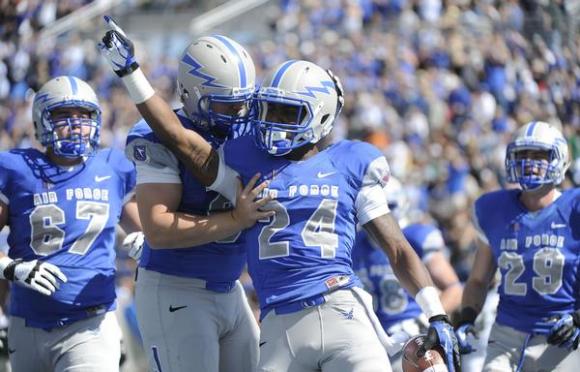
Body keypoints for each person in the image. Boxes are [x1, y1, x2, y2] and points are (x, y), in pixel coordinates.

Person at [98, 17, 461, 372]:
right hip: (268, 315)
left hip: (334, 303)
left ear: (319, 118)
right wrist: (131, 72)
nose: (270, 122)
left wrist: (436, 313)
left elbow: (396, 247)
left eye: (289, 113)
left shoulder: (348, 162)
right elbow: (182, 142)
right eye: (270, 109)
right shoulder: (246, 163)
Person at [123, 35, 273, 372]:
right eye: (226, 105)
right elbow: (158, 229)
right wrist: (235, 219)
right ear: (192, 95)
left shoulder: (248, 133)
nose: (239, 114)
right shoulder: (155, 136)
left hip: (229, 287)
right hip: (177, 288)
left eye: (243, 104)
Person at [0, 75, 141, 372]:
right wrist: (12, 266)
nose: (76, 123)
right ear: (41, 120)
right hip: (27, 323)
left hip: (89, 323)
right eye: (64, 114)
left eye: (85, 115)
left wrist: (149, 243)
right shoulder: (16, 168)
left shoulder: (113, 166)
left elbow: (147, 231)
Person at [455, 121, 580, 371]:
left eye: (539, 155)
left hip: (561, 332)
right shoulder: (493, 209)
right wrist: (466, 318)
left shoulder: (574, 208)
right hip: (507, 333)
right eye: (523, 155)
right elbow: (479, 280)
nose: (530, 163)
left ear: (560, 160)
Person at [353, 177, 463, 372]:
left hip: (414, 335)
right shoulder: (353, 244)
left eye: (386, 207)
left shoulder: (416, 237)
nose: (376, 216)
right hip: (371, 340)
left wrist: (422, 321)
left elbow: (454, 289)